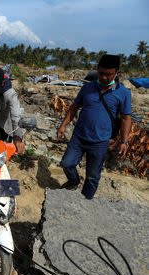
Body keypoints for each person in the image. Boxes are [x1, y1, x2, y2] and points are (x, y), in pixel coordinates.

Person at [57, 54, 131, 199]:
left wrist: (124, 141)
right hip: (79, 136)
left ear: (117, 72)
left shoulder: (123, 93)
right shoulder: (87, 88)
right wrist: (62, 125)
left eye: (108, 74)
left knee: (92, 176)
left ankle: (85, 201)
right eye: (101, 73)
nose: (103, 77)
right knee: (67, 163)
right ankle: (74, 181)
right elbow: (74, 107)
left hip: (100, 141)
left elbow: (125, 118)